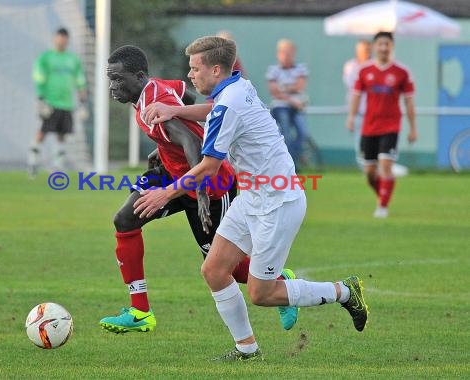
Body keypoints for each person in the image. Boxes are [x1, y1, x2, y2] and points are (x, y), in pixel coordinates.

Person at [137, 36, 369, 361]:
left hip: (278, 203)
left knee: (263, 293)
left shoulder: (230, 101)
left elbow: (208, 167)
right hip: (253, 197)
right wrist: (174, 109)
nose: (190, 75)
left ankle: (345, 292)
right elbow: (216, 110)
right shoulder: (237, 86)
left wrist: (166, 192)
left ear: (215, 69)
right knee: (214, 270)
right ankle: (247, 349)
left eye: (195, 68)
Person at [99, 45, 299, 334]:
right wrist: (164, 146)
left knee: (223, 267)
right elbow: (185, 95)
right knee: (125, 219)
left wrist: (202, 194)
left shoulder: (154, 105)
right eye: (110, 79)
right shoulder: (154, 89)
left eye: (118, 79)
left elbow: (191, 143)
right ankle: (140, 311)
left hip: (211, 184)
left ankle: (281, 280)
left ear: (140, 76)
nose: (112, 86)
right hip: (172, 173)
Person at [346, 32, 417, 218]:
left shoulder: (402, 72)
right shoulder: (364, 71)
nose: (384, 48)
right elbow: (356, 96)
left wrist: (413, 128)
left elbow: (409, 102)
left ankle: (382, 207)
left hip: (391, 126)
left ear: (392, 46)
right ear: (374, 46)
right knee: (370, 172)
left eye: (387, 44)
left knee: (385, 166)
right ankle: (383, 195)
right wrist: (351, 117)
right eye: (380, 44)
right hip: (369, 127)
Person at [28, 28, 87, 178]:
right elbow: (39, 76)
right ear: (55, 39)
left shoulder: (73, 59)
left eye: (65, 39)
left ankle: (57, 166)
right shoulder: (46, 57)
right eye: (60, 38)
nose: (62, 41)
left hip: (67, 103)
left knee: (62, 134)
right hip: (50, 103)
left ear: (67, 40)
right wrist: (41, 98)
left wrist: (82, 98)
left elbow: (79, 79)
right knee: (43, 131)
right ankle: (33, 161)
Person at [266, 39, 309, 167]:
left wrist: (283, 87)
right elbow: (274, 92)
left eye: (289, 52)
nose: (286, 55)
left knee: (303, 133)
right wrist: (291, 98)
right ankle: (288, 165)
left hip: (297, 107)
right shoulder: (273, 70)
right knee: (287, 136)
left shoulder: (301, 68)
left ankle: (292, 159)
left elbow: (299, 86)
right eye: (284, 52)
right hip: (281, 107)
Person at [343, 40, 371, 167]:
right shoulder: (350, 66)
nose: (362, 53)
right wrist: (351, 116)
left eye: (365, 50)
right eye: (360, 50)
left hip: (373, 110)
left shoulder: (374, 65)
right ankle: (364, 167)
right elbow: (354, 88)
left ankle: (374, 166)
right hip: (358, 110)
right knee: (360, 141)